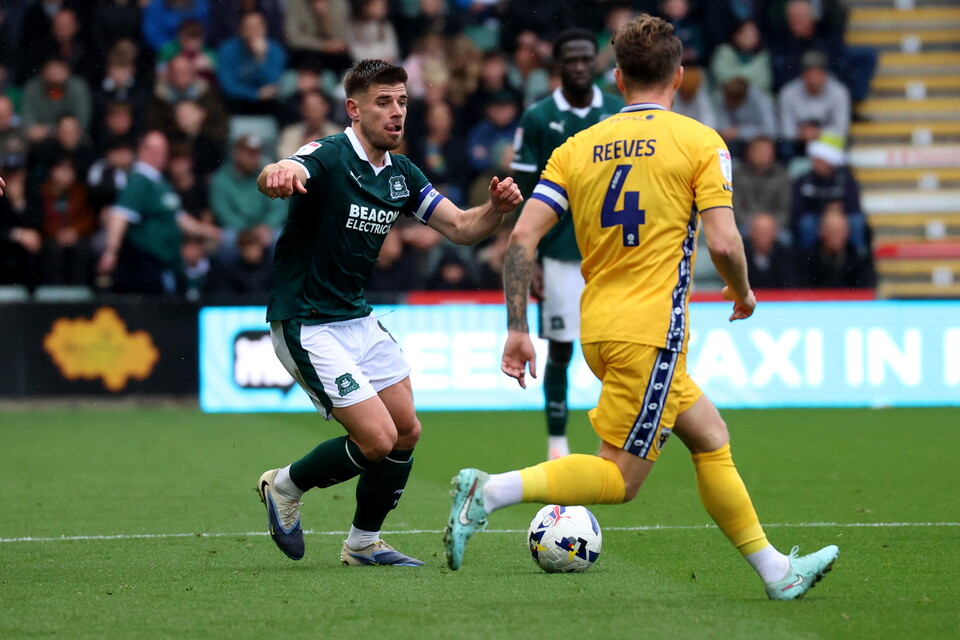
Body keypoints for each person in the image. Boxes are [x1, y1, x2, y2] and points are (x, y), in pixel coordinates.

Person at [444, 15, 839, 601]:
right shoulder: (701, 142)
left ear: (618, 78)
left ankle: (777, 571)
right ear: (679, 75)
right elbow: (727, 243)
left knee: (710, 437)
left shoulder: (575, 148)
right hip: (650, 333)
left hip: (598, 326)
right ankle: (491, 491)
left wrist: (517, 329)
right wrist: (743, 289)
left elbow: (521, 240)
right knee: (620, 480)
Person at [254, 59, 522, 567]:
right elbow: (285, 169)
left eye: (402, 101)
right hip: (306, 320)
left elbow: (464, 228)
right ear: (354, 110)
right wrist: (280, 171)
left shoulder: (401, 175)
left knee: (406, 430)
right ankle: (284, 485)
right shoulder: (330, 156)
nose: (396, 112)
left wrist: (496, 209)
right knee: (376, 438)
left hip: (356, 318)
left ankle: (361, 544)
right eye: (383, 102)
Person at [510, 28, 624, 461]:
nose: (579, 67)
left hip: (612, 252)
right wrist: (528, 254)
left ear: (595, 63)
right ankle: (557, 441)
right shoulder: (538, 118)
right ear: (557, 67)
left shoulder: (618, 113)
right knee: (560, 348)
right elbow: (520, 190)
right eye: (569, 60)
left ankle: (616, 434)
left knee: (618, 343)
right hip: (559, 255)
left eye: (585, 59)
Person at [96, 130, 221, 294]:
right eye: (154, 150)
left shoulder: (159, 182)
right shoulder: (139, 181)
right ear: (142, 150)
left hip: (165, 261)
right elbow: (121, 215)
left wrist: (208, 231)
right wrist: (111, 251)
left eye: (162, 151)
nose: (159, 155)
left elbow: (179, 218)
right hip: (144, 263)